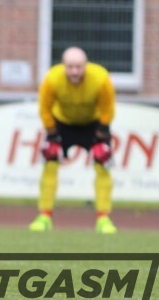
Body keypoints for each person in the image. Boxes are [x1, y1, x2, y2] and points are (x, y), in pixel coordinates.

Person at [29, 46, 117, 234]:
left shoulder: (100, 78)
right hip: (62, 123)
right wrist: (52, 132)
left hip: (93, 123)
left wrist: (102, 130)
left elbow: (108, 108)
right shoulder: (52, 79)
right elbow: (45, 108)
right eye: (70, 67)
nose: (74, 71)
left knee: (102, 161)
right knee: (50, 159)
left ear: (86, 65)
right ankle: (44, 216)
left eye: (78, 66)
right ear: (64, 66)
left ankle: (104, 219)